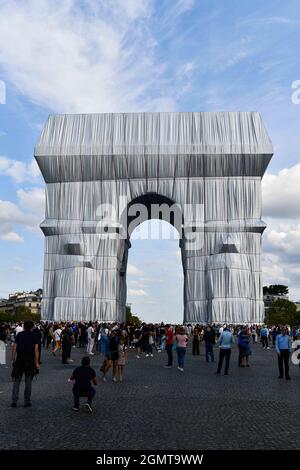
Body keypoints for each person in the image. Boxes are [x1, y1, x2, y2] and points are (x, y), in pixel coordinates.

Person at [11, 320, 40, 408]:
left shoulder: (19, 335)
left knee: (17, 381)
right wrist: (37, 362)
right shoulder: (34, 335)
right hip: (30, 360)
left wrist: (13, 359)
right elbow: (36, 350)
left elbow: (14, 347)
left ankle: (14, 401)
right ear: (32, 327)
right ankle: (27, 401)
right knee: (28, 381)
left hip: (20, 359)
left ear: (24, 327)